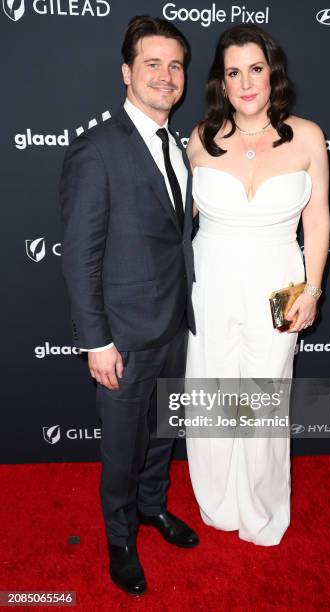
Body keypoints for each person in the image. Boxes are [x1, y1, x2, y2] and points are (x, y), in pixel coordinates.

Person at [60, 16, 198, 597]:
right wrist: (96, 341)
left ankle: (152, 508)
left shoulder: (182, 144)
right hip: (122, 335)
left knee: (162, 435)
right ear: (126, 73)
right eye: (152, 64)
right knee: (121, 448)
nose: (165, 76)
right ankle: (119, 539)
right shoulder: (97, 151)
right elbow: (79, 257)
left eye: (175, 65)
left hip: (175, 327)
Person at [185, 24, 330, 546]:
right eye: (232, 72)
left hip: (278, 286)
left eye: (255, 69)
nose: (245, 83)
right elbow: (177, 222)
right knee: (212, 389)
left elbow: (317, 220)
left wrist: (311, 291)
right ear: (221, 83)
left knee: (265, 398)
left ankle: (262, 507)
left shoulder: (308, 136)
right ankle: (218, 501)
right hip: (211, 284)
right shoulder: (199, 138)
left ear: (272, 74)